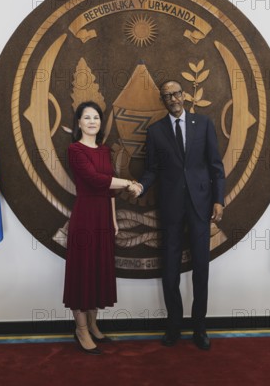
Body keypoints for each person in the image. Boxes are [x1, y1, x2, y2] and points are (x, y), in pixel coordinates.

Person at [129, 80, 225, 351]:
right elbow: (152, 170)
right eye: (166, 96)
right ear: (162, 101)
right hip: (170, 207)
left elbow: (216, 166)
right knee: (170, 269)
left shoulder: (204, 124)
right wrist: (140, 186)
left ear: (184, 95)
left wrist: (219, 200)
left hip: (201, 204)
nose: (172, 98)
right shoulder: (155, 131)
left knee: (201, 269)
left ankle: (199, 326)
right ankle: (173, 325)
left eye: (176, 93)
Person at [64, 101, 136, 355]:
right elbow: (95, 180)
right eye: (87, 117)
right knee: (82, 272)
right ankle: (81, 329)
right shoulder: (75, 149)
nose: (92, 121)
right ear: (79, 123)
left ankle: (93, 325)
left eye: (96, 117)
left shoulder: (104, 150)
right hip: (85, 217)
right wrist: (128, 182)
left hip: (104, 217)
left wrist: (114, 218)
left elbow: (109, 188)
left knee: (96, 270)